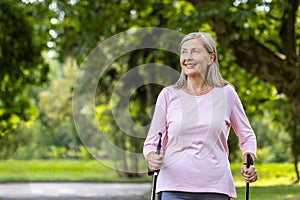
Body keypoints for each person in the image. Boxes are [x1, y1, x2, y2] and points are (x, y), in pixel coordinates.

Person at [143, 32, 258, 200]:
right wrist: (151, 157)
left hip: (215, 187)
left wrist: (249, 160)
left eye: (195, 51)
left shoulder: (227, 94)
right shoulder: (168, 95)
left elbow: (247, 136)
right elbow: (152, 142)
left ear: (211, 58)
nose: (187, 57)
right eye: (184, 52)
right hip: (173, 187)